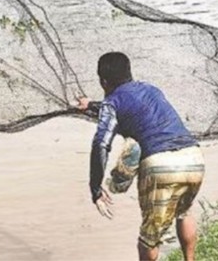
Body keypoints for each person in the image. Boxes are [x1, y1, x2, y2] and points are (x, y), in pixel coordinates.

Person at [77, 52, 205, 261]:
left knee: (148, 238)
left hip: (160, 165)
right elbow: (129, 106)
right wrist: (91, 105)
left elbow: (101, 143)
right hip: (193, 158)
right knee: (184, 213)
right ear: (129, 72)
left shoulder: (111, 103)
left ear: (103, 81)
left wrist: (95, 189)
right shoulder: (151, 90)